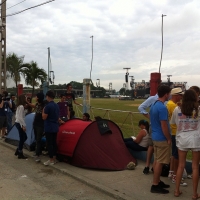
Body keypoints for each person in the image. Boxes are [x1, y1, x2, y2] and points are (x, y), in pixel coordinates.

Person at [171, 89, 200, 199]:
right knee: (195, 167)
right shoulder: (198, 109)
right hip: (195, 139)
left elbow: (173, 122)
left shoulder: (177, 109)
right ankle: (194, 194)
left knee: (181, 165)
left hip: (182, 138)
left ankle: (177, 191)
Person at [150, 85, 171, 194]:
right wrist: (168, 138)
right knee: (160, 162)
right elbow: (164, 125)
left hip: (155, 136)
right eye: (169, 93)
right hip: (161, 138)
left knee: (157, 160)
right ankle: (155, 184)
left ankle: (157, 181)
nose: (170, 95)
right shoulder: (162, 107)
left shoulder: (154, 104)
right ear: (166, 94)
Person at [166, 87, 187, 186]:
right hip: (175, 132)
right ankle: (175, 175)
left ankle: (171, 173)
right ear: (176, 95)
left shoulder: (171, 104)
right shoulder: (173, 106)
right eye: (180, 95)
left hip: (174, 131)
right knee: (176, 156)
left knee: (174, 154)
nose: (181, 97)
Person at [138, 93, 158, 174]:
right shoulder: (153, 98)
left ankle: (154, 166)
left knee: (157, 147)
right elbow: (140, 107)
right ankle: (147, 165)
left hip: (159, 127)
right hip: (154, 127)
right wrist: (149, 116)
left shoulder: (167, 99)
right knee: (151, 146)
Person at [26, 92, 45, 162]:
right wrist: (28, 103)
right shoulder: (37, 104)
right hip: (35, 124)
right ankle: (39, 152)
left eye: (36, 97)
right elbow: (33, 106)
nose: (35, 98)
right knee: (36, 138)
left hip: (40, 125)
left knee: (38, 139)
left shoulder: (44, 105)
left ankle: (37, 155)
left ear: (39, 98)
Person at [42, 90, 59, 165]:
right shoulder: (56, 105)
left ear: (48, 96)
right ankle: (54, 158)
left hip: (49, 126)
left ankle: (51, 159)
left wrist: (43, 111)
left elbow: (44, 117)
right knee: (54, 142)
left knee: (49, 143)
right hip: (55, 125)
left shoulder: (47, 106)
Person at [14, 94, 28, 159]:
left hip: (17, 122)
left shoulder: (19, 106)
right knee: (23, 138)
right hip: (20, 123)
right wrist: (23, 125)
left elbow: (17, 116)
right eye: (25, 98)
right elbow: (20, 117)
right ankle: (20, 152)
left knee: (23, 137)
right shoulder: (21, 107)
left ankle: (18, 149)